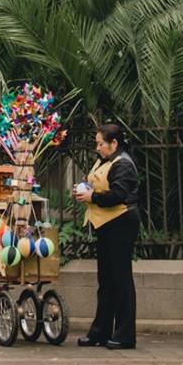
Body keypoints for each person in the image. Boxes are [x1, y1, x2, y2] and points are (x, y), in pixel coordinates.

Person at [73, 120, 140, 349]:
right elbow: (94, 183)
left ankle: (124, 335)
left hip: (121, 223)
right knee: (106, 281)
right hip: (105, 224)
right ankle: (100, 332)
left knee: (121, 280)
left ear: (114, 143)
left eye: (101, 144)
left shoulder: (124, 164)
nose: (97, 148)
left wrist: (93, 198)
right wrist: (82, 190)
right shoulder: (105, 161)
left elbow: (119, 194)